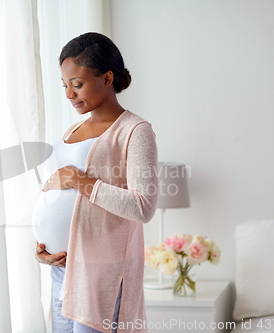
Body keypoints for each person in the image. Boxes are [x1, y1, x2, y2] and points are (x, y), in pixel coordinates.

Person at [35, 32, 158, 333]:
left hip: (100, 273)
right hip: (62, 269)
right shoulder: (73, 129)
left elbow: (143, 207)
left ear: (107, 78)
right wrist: (43, 244)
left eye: (77, 84)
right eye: (64, 85)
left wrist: (82, 181)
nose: (68, 94)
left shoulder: (134, 131)